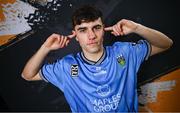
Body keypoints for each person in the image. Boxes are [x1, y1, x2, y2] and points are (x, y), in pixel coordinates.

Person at [21, 5, 173, 112]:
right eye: (83, 30)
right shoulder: (67, 66)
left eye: (96, 27)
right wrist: (45, 47)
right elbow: (27, 75)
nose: (91, 35)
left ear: (104, 29)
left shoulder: (124, 52)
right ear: (76, 36)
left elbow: (166, 44)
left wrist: (137, 28)